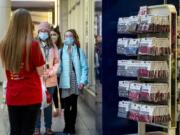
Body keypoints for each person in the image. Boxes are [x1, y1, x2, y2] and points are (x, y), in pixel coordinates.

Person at [0, 9, 46, 135]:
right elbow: (41, 71)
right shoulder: (33, 45)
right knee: (27, 130)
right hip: (31, 94)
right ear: (27, 23)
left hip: (13, 94)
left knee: (14, 130)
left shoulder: (4, 44)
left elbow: (8, 69)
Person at [59, 29, 88, 134]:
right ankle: (67, 126)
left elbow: (85, 67)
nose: (68, 38)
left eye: (70, 36)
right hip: (65, 81)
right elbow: (58, 68)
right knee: (66, 106)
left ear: (74, 38)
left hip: (75, 80)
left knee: (74, 105)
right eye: (66, 36)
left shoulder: (79, 51)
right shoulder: (61, 51)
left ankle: (72, 127)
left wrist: (82, 81)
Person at [34, 22, 60, 135]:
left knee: (48, 106)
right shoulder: (33, 45)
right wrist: (39, 73)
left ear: (48, 33)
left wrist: (50, 72)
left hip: (50, 80)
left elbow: (57, 62)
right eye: (41, 31)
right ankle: (36, 129)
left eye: (45, 31)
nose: (43, 33)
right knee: (37, 105)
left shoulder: (53, 46)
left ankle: (48, 128)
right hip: (37, 81)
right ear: (38, 32)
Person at [50, 25, 63, 117]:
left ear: (58, 36)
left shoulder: (63, 47)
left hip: (62, 73)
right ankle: (56, 108)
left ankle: (62, 109)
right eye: (50, 34)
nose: (52, 36)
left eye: (54, 34)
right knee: (53, 91)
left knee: (62, 91)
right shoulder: (48, 47)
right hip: (52, 73)